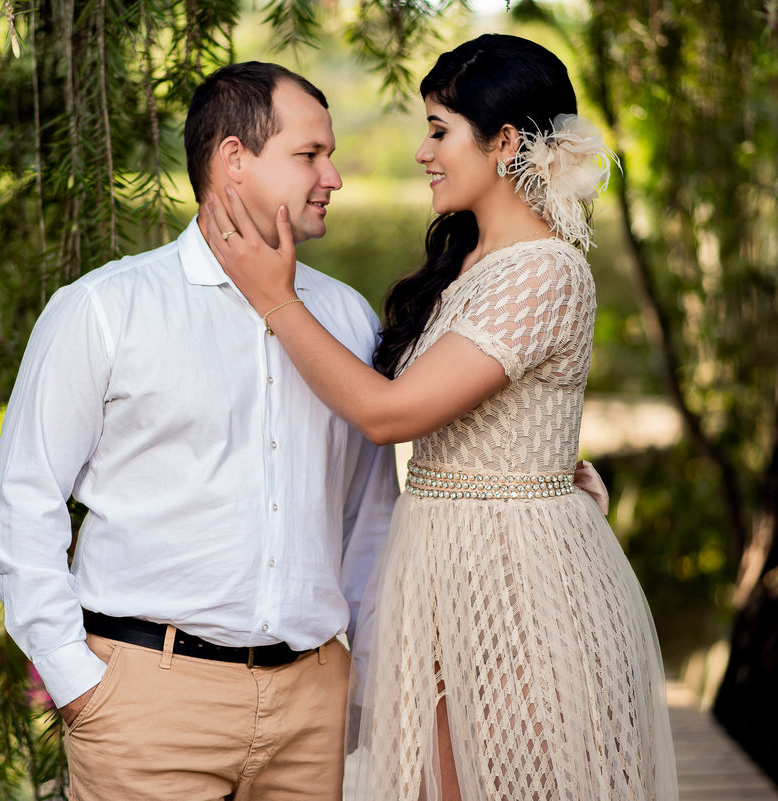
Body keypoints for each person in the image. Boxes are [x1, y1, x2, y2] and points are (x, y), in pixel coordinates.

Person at [200, 34, 679, 801]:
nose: (423, 152)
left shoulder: (548, 271)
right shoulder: (467, 264)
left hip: (520, 584)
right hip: (441, 569)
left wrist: (276, 299)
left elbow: (389, 414)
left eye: (438, 129)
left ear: (505, 143)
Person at [0, 62, 402, 800]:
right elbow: (24, 498)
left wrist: (361, 683)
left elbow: (370, 520)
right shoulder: (106, 309)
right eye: (309, 155)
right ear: (233, 159)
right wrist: (79, 681)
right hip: (146, 704)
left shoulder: (347, 319)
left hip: (311, 704)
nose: (332, 176)